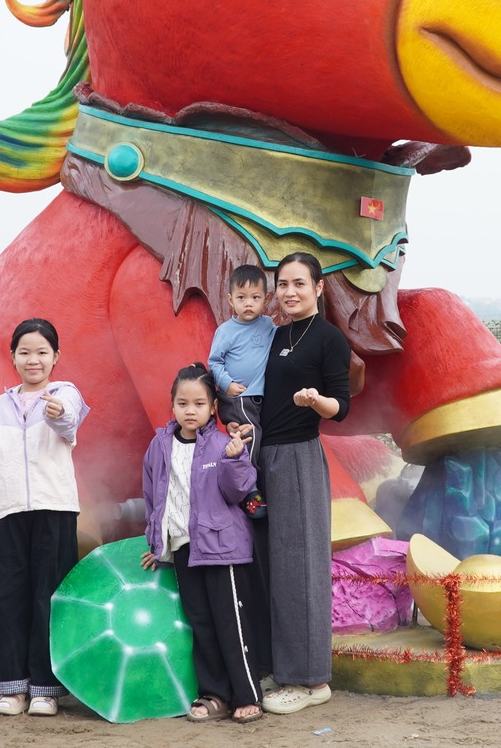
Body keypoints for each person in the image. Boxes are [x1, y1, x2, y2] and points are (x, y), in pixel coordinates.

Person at [0, 318, 90, 716]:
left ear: (55, 357)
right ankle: (12, 687)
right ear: (13, 357)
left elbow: (68, 421)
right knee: (12, 597)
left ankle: (45, 688)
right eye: (25, 352)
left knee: (47, 596)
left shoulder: (65, 393)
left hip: (55, 509)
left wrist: (54, 411)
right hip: (10, 512)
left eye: (42, 352)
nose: (33, 359)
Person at [140, 363, 264, 723]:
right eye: (182, 403)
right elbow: (153, 497)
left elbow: (240, 491)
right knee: (202, 624)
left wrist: (235, 458)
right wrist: (156, 544)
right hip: (183, 547)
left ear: (213, 407)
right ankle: (214, 696)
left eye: (198, 403)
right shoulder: (159, 445)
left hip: (222, 548)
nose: (189, 410)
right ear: (173, 405)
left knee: (232, 623)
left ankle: (247, 694)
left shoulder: (224, 444)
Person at [255, 252, 350, 715]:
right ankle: (284, 666)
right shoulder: (273, 336)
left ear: (318, 287)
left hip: (299, 457)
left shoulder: (329, 338)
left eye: (299, 283)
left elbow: (342, 406)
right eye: (283, 284)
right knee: (274, 568)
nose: (289, 291)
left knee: (301, 569)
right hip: (264, 457)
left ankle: (312, 681)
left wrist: (317, 401)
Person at [208, 264, 276, 450]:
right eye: (241, 297)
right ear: (231, 300)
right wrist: (226, 384)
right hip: (238, 398)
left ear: (266, 299)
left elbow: (282, 340)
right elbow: (214, 362)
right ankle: (248, 476)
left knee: (260, 437)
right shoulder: (226, 331)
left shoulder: (268, 325)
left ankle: (253, 474)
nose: (248, 303)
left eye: (255, 297)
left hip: (259, 397)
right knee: (249, 435)